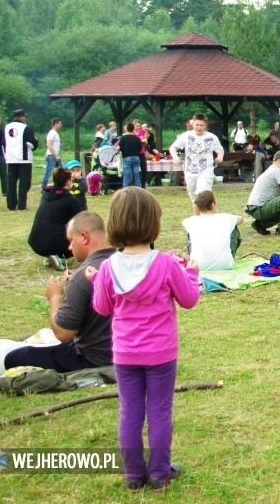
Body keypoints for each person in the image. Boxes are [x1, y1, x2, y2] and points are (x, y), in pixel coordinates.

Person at [90, 187, 200, 492]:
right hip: (161, 354)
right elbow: (189, 299)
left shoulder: (107, 267)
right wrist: (192, 273)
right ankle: (159, 473)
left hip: (125, 354)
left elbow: (102, 307)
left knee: (130, 411)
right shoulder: (165, 264)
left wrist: (97, 281)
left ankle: (133, 475)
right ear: (154, 223)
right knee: (160, 411)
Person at [5, 211, 116, 372]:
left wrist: (56, 296)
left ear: (84, 237)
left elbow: (63, 333)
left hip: (93, 359)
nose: (70, 248)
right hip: (127, 351)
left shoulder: (82, 277)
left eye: (71, 241)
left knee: (14, 358)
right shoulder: (122, 263)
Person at [28, 167, 83, 269]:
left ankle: (50, 256)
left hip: (34, 242)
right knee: (78, 236)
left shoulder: (46, 194)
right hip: (52, 242)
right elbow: (79, 221)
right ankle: (56, 254)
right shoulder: (69, 199)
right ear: (68, 182)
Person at [169, 113, 224, 211]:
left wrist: (220, 157)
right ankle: (198, 219)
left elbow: (220, 149)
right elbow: (173, 147)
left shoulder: (212, 137)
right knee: (195, 199)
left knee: (203, 195)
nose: (199, 127)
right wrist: (175, 157)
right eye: (197, 125)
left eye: (201, 125)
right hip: (190, 171)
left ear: (205, 125)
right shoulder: (185, 136)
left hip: (206, 170)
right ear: (192, 124)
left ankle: (208, 218)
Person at [182, 191, 244, 270]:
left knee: (190, 232)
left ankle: (194, 258)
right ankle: (229, 256)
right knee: (234, 227)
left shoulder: (189, 221)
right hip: (225, 265)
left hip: (198, 266)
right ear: (212, 204)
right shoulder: (226, 218)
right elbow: (241, 219)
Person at [245, 150, 280, 236]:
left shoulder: (271, 170)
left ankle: (260, 225)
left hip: (254, 208)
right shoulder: (277, 171)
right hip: (260, 208)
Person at [4, 108, 40, 211]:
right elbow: (33, 142)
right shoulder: (26, 128)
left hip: (10, 158)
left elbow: (3, 143)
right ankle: (21, 205)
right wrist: (36, 143)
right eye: (24, 116)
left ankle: (11, 205)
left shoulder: (6, 127)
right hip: (24, 159)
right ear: (21, 117)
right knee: (24, 183)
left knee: (11, 183)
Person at [40, 118, 64, 189]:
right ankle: (43, 188)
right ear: (55, 124)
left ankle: (61, 186)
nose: (61, 125)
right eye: (60, 123)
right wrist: (56, 155)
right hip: (51, 156)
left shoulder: (55, 133)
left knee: (64, 170)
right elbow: (49, 144)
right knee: (48, 173)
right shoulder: (52, 133)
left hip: (55, 156)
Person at [119, 121, 143, 188]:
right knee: (136, 174)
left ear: (126, 128)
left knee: (127, 175)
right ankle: (138, 189)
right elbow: (140, 148)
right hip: (136, 157)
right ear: (133, 128)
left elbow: (120, 148)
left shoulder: (123, 138)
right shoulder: (137, 138)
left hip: (127, 157)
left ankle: (126, 190)